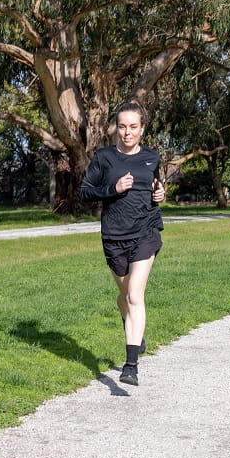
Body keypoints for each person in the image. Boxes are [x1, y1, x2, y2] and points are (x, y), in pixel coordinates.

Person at [80, 102, 166, 386]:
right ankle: (135, 333)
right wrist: (113, 190)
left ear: (142, 128)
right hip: (114, 236)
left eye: (133, 127)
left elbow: (154, 186)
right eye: (122, 126)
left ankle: (131, 366)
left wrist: (160, 194)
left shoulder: (152, 157)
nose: (127, 132)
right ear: (116, 127)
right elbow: (85, 192)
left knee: (134, 296)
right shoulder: (104, 157)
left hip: (145, 231)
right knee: (124, 296)